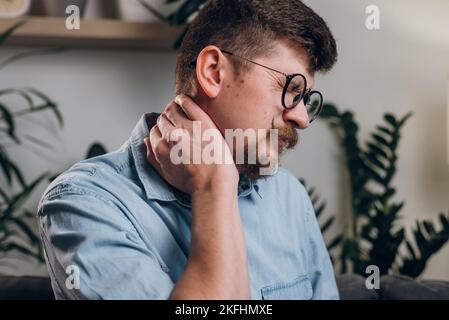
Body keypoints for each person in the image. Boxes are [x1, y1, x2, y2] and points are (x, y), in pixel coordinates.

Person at [37, 0, 339, 299]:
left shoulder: (289, 195)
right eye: (291, 90)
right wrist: (214, 186)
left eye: (306, 99)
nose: (301, 118)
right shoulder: (85, 204)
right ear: (212, 72)